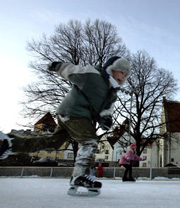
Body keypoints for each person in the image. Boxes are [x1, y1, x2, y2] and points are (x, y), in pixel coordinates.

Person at [0, 56, 131, 196]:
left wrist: (106, 119)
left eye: (126, 75)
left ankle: (12, 143)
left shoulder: (112, 93)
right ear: (111, 67)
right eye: (121, 72)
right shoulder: (93, 75)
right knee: (89, 140)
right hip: (74, 112)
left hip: (72, 116)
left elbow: (106, 110)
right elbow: (72, 71)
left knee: (54, 143)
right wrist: (58, 66)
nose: (123, 77)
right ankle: (79, 176)